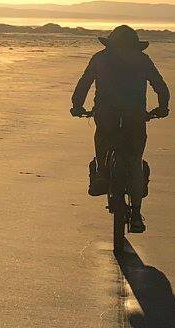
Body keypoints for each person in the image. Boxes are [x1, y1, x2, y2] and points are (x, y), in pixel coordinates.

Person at [71, 24, 170, 233]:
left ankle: (101, 174)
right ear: (135, 45)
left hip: (106, 114)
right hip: (135, 116)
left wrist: (77, 106)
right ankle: (135, 214)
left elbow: (84, 83)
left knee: (102, 142)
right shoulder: (142, 60)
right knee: (134, 160)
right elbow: (160, 85)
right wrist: (162, 107)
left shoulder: (100, 58)